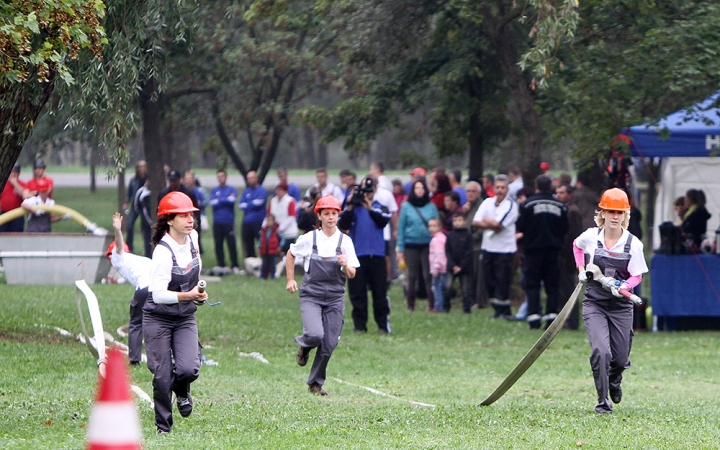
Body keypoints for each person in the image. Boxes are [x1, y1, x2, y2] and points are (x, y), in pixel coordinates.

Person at [573, 188, 648, 414]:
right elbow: (576, 246)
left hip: (621, 306)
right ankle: (602, 402)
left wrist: (625, 286)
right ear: (602, 213)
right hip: (595, 302)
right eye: (610, 211)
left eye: (619, 212)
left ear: (625, 215)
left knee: (620, 357)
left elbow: (637, 275)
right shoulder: (591, 236)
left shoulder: (633, 244)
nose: (615, 216)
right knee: (601, 352)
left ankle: (615, 379)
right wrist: (581, 269)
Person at [143, 191, 207, 434]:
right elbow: (157, 294)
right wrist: (188, 295)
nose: (190, 220)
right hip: (157, 318)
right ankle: (164, 428)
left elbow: (195, 269)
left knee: (189, 369)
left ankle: (183, 390)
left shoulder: (193, 238)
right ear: (169, 220)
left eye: (191, 215)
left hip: (185, 317)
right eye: (183, 216)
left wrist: (199, 292)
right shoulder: (162, 252)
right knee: (161, 376)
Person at [286, 195, 359, 396]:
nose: (331, 217)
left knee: (329, 343)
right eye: (326, 213)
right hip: (312, 294)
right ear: (319, 215)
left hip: (335, 296)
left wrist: (346, 265)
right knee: (315, 334)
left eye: (334, 213)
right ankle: (306, 346)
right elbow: (291, 254)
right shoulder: (310, 238)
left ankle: (315, 383)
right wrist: (291, 280)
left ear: (338, 215)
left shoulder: (345, 241)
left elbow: (352, 274)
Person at [339, 178, 392, 333]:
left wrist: (369, 207)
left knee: (379, 293)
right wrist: (349, 205)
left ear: (375, 190)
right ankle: (360, 326)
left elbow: (383, 221)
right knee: (357, 293)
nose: (367, 194)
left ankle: (382, 325)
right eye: (365, 191)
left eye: (370, 191)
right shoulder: (353, 208)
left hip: (377, 255)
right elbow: (342, 224)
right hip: (357, 256)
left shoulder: (380, 207)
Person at [516, 175, 568, 329]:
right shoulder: (561, 206)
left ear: (536, 186)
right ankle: (551, 317)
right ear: (551, 186)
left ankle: (534, 318)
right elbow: (564, 228)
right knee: (552, 286)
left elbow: (520, 225)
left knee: (533, 285)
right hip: (553, 251)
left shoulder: (527, 205)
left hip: (532, 252)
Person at [472, 174, 519, 318]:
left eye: (502, 187)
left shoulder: (511, 205)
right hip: (488, 248)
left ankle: (505, 310)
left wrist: (486, 221)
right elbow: (475, 221)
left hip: (505, 249)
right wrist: (489, 222)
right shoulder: (487, 202)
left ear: (507, 189)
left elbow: (499, 226)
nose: (499, 190)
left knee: (502, 280)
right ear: (493, 188)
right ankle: (497, 308)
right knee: (489, 280)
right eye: (497, 187)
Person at [108, 212, 152, 365]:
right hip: (161, 287)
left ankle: (134, 359)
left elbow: (118, 246)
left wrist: (117, 231)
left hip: (146, 287)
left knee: (136, 323)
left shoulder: (118, 258)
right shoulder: (138, 259)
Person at [397, 180, 439, 312]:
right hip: (411, 245)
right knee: (412, 275)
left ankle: (432, 305)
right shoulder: (406, 207)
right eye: (417, 188)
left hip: (428, 245)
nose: (420, 190)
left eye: (422, 188)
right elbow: (401, 228)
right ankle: (411, 305)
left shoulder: (431, 206)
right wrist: (400, 248)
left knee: (428, 274)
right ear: (413, 190)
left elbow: (437, 225)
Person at [555, 184, 583, 330]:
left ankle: (571, 321)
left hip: (568, 256)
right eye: (557, 192)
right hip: (566, 255)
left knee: (568, 289)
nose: (558, 195)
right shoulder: (563, 209)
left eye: (562, 192)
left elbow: (573, 235)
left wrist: (567, 255)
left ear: (570, 194)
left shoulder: (572, 211)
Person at [461, 181, 488, 309]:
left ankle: (480, 301)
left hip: (478, 245)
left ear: (478, 193)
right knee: (470, 274)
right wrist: (463, 212)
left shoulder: (483, 205)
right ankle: (470, 299)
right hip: (466, 247)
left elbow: (483, 225)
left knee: (478, 275)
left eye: (473, 191)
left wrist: (475, 237)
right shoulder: (466, 207)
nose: (470, 194)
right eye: (468, 191)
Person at [210, 169, 240, 274]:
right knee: (218, 244)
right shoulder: (214, 190)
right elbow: (213, 202)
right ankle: (221, 264)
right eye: (218, 176)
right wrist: (225, 199)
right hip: (217, 221)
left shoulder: (231, 189)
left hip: (228, 221)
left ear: (226, 177)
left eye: (222, 176)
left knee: (231, 243)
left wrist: (220, 200)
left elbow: (231, 201)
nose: (220, 178)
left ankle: (235, 264)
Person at [445, 211, 474, 313]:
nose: (457, 223)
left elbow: (469, 252)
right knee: (448, 287)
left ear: (465, 221)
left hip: (465, 268)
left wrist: (461, 266)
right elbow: (447, 251)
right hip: (451, 267)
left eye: (460, 220)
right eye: (455, 220)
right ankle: (446, 308)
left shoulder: (468, 236)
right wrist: (453, 265)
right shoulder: (450, 236)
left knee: (466, 290)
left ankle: (467, 310)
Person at [239, 170, 268, 259]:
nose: (250, 180)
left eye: (251, 178)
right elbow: (241, 205)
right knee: (248, 244)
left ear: (256, 178)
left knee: (261, 243)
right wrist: (252, 203)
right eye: (248, 178)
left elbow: (260, 202)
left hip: (258, 221)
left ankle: (263, 262)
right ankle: (251, 262)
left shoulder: (262, 190)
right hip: (247, 221)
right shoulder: (246, 191)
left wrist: (248, 204)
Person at [267, 183, 298, 253]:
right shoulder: (273, 201)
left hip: (289, 233)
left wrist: (281, 228)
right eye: (277, 190)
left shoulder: (290, 201)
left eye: (280, 190)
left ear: (285, 191)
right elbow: (269, 215)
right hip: (275, 233)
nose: (278, 192)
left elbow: (291, 217)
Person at [125, 160, 147, 253]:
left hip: (145, 206)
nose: (141, 169)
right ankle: (129, 247)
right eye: (139, 167)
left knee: (145, 228)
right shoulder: (134, 180)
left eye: (143, 167)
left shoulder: (147, 180)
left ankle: (147, 249)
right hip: (135, 205)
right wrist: (126, 202)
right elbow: (130, 193)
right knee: (129, 226)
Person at [0, 163, 28, 232]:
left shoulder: (22, 184)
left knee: (16, 234)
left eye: (16, 172)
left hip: (17, 214)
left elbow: (24, 195)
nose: (14, 174)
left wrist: (15, 183)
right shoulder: (3, 183)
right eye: (12, 172)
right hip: (4, 213)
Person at [427, 218, 447, 313]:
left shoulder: (437, 240)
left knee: (437, 287)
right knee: (440, 287)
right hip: (441, 268)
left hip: (438, 268)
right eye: (430, 226)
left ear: (439, 227)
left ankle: (438, 306)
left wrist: (435, 268)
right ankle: (441, 305)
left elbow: (439, 255)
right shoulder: (440, 238)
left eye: (434, 226)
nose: (431, 228)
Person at [134, 179, 153, 258]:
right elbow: (137, 206)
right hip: (145, 223)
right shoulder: (142, 192)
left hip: (158, 222)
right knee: (147, 241)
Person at [259, 214, 283, 279]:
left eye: (270, 221)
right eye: (268, 221)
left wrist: (280, 246)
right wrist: (259, 247)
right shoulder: (264, 230)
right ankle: (263, 275)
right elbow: (261, 240)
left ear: (274, 222)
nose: (269, 222)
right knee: (264, 264)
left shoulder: (276, 230)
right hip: (264, 250)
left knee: (272, 264)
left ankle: (272, 275)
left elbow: (282, 239)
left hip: (272, 250)